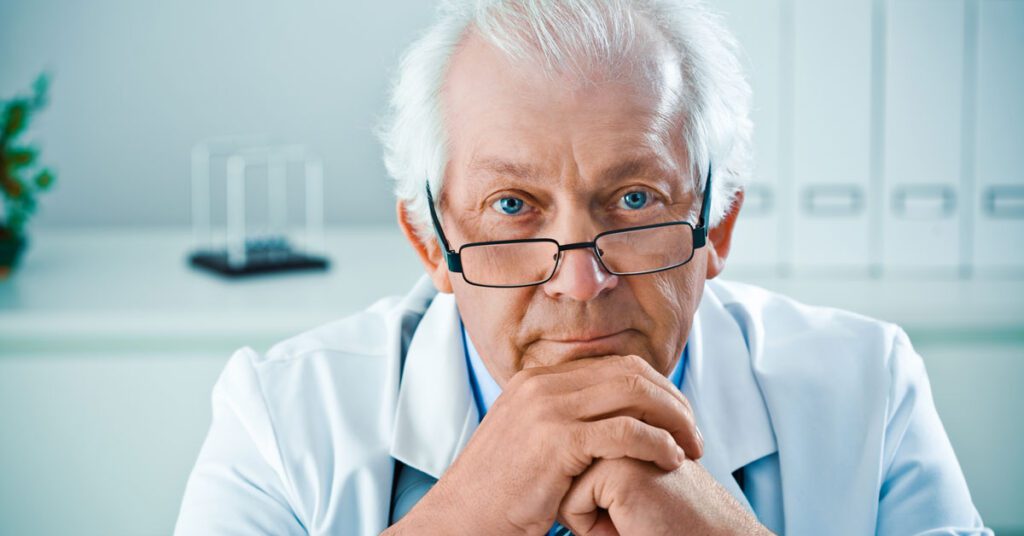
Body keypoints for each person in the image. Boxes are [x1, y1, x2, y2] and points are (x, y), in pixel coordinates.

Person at [174, 0, 991, 534]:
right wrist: (463, 517)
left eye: (634, 201)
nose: (577, 281)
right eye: (512, 206)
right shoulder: (279, 418)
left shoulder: (869, 386)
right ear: (432, 246)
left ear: (717, 228)